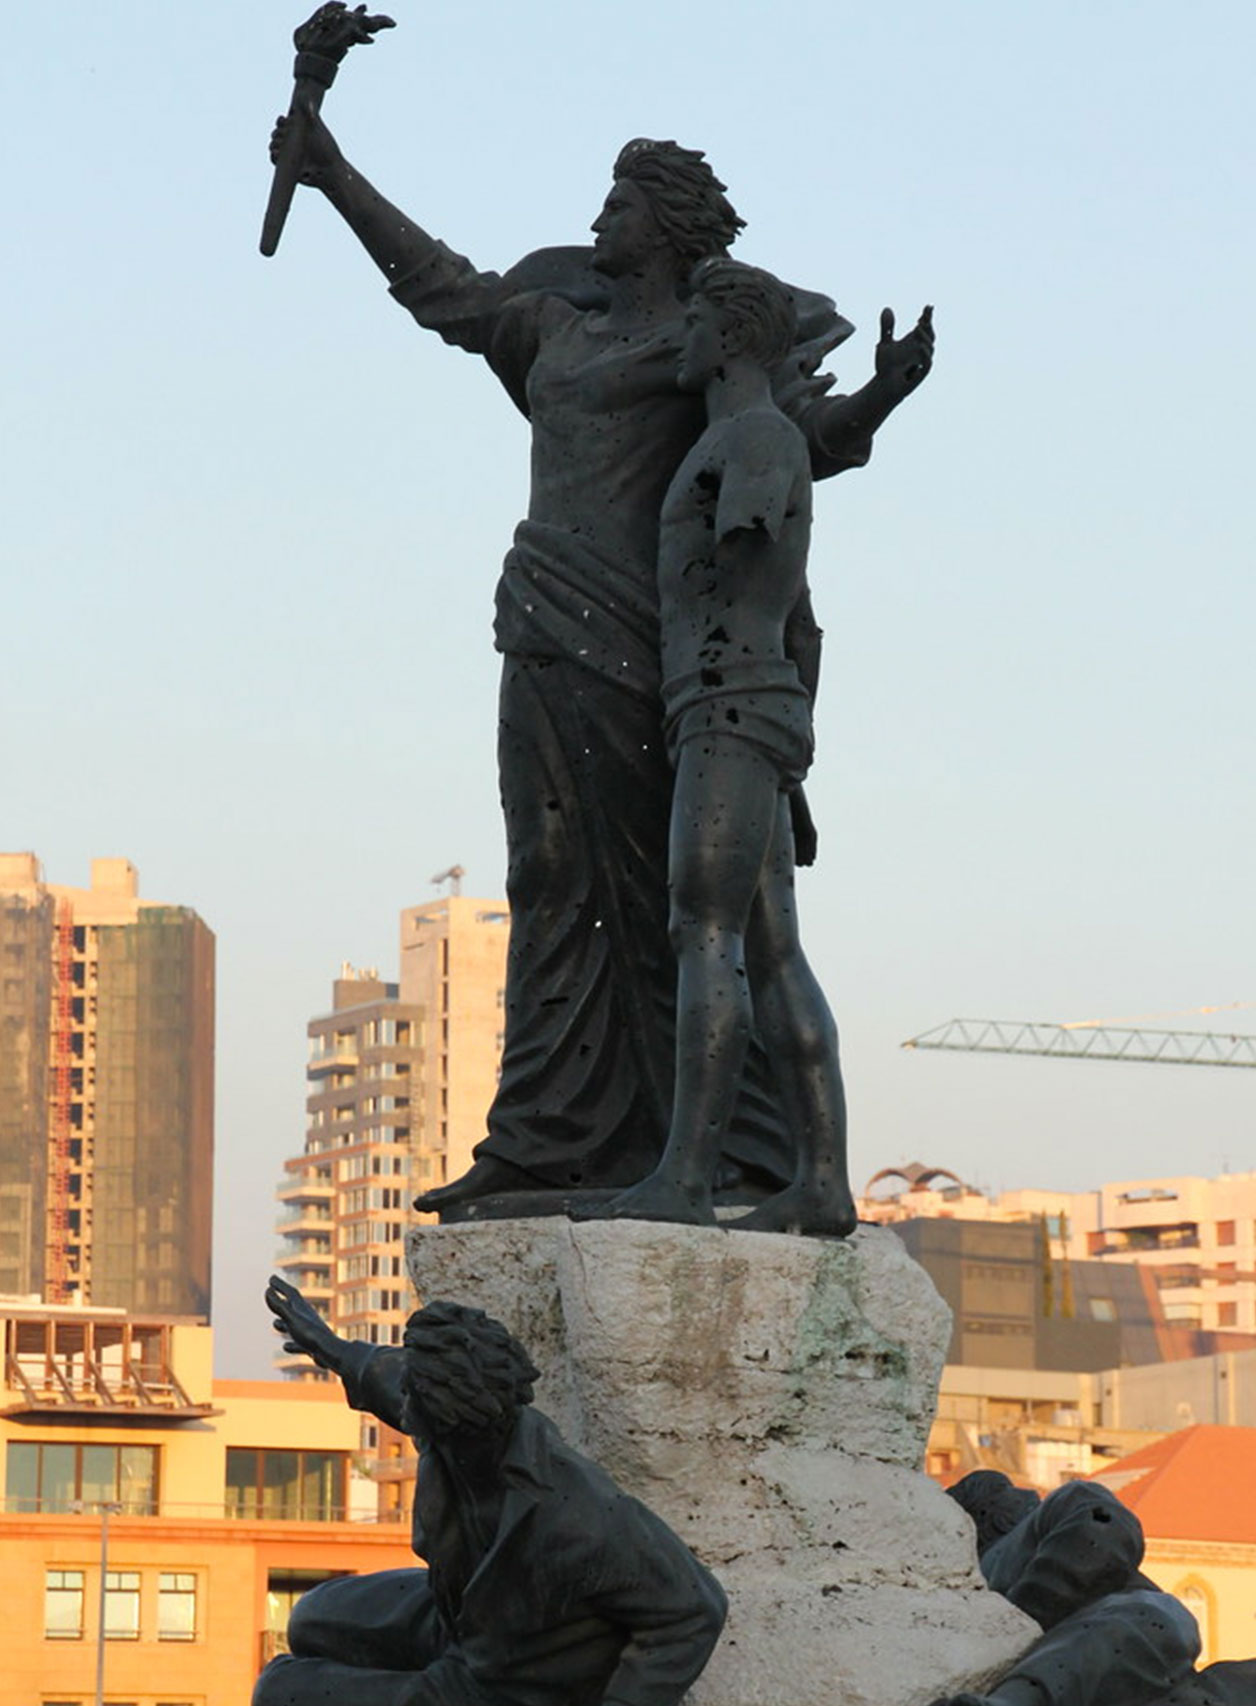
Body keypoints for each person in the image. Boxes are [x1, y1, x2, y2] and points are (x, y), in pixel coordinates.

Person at [271, 100, 934, 1219]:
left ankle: (718, 1153)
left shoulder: (705, 348)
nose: (596, 217)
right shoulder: (551, 329)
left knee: (670, 901)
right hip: (540, 620)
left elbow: (789, 444)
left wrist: (877, 396)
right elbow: (442, 287)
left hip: (657, 650)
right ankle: (539, 1137)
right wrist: (332, 172)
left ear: (668, 226)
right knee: (545, 876)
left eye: (619, 201)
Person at [595, 258, 853, 1237]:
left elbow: (760, 558)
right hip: (752, 711)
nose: (681, 336)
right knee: (775, 950)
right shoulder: (751, 435)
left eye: (695, 317)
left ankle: (687, 1177)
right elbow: (808, 633)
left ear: (732, 337)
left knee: (703, 930)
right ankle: (818, 1183)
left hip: (723, 705)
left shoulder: (751, 436)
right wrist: (796, 759)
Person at [255, 1275, 727, 1706]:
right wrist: (330, 1346)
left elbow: (694, 1610)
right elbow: (390, 1379)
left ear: (444, 1424)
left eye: (414, 1404)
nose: (406, 1408)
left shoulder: (577, 1516)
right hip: (455, 1617)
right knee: (310, 1616)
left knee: (281, 1689)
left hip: (500, 1681)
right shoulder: (465, 1429)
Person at [935, 1471, 1256, 1706]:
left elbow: (1102, 1532)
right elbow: (1102, 1530)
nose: (1028, 1494)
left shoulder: (984, 1584)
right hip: (1130, 1636)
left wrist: (1022, 1619)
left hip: (1132, 1660)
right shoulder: (1011, 1547)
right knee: (1149, 1616)